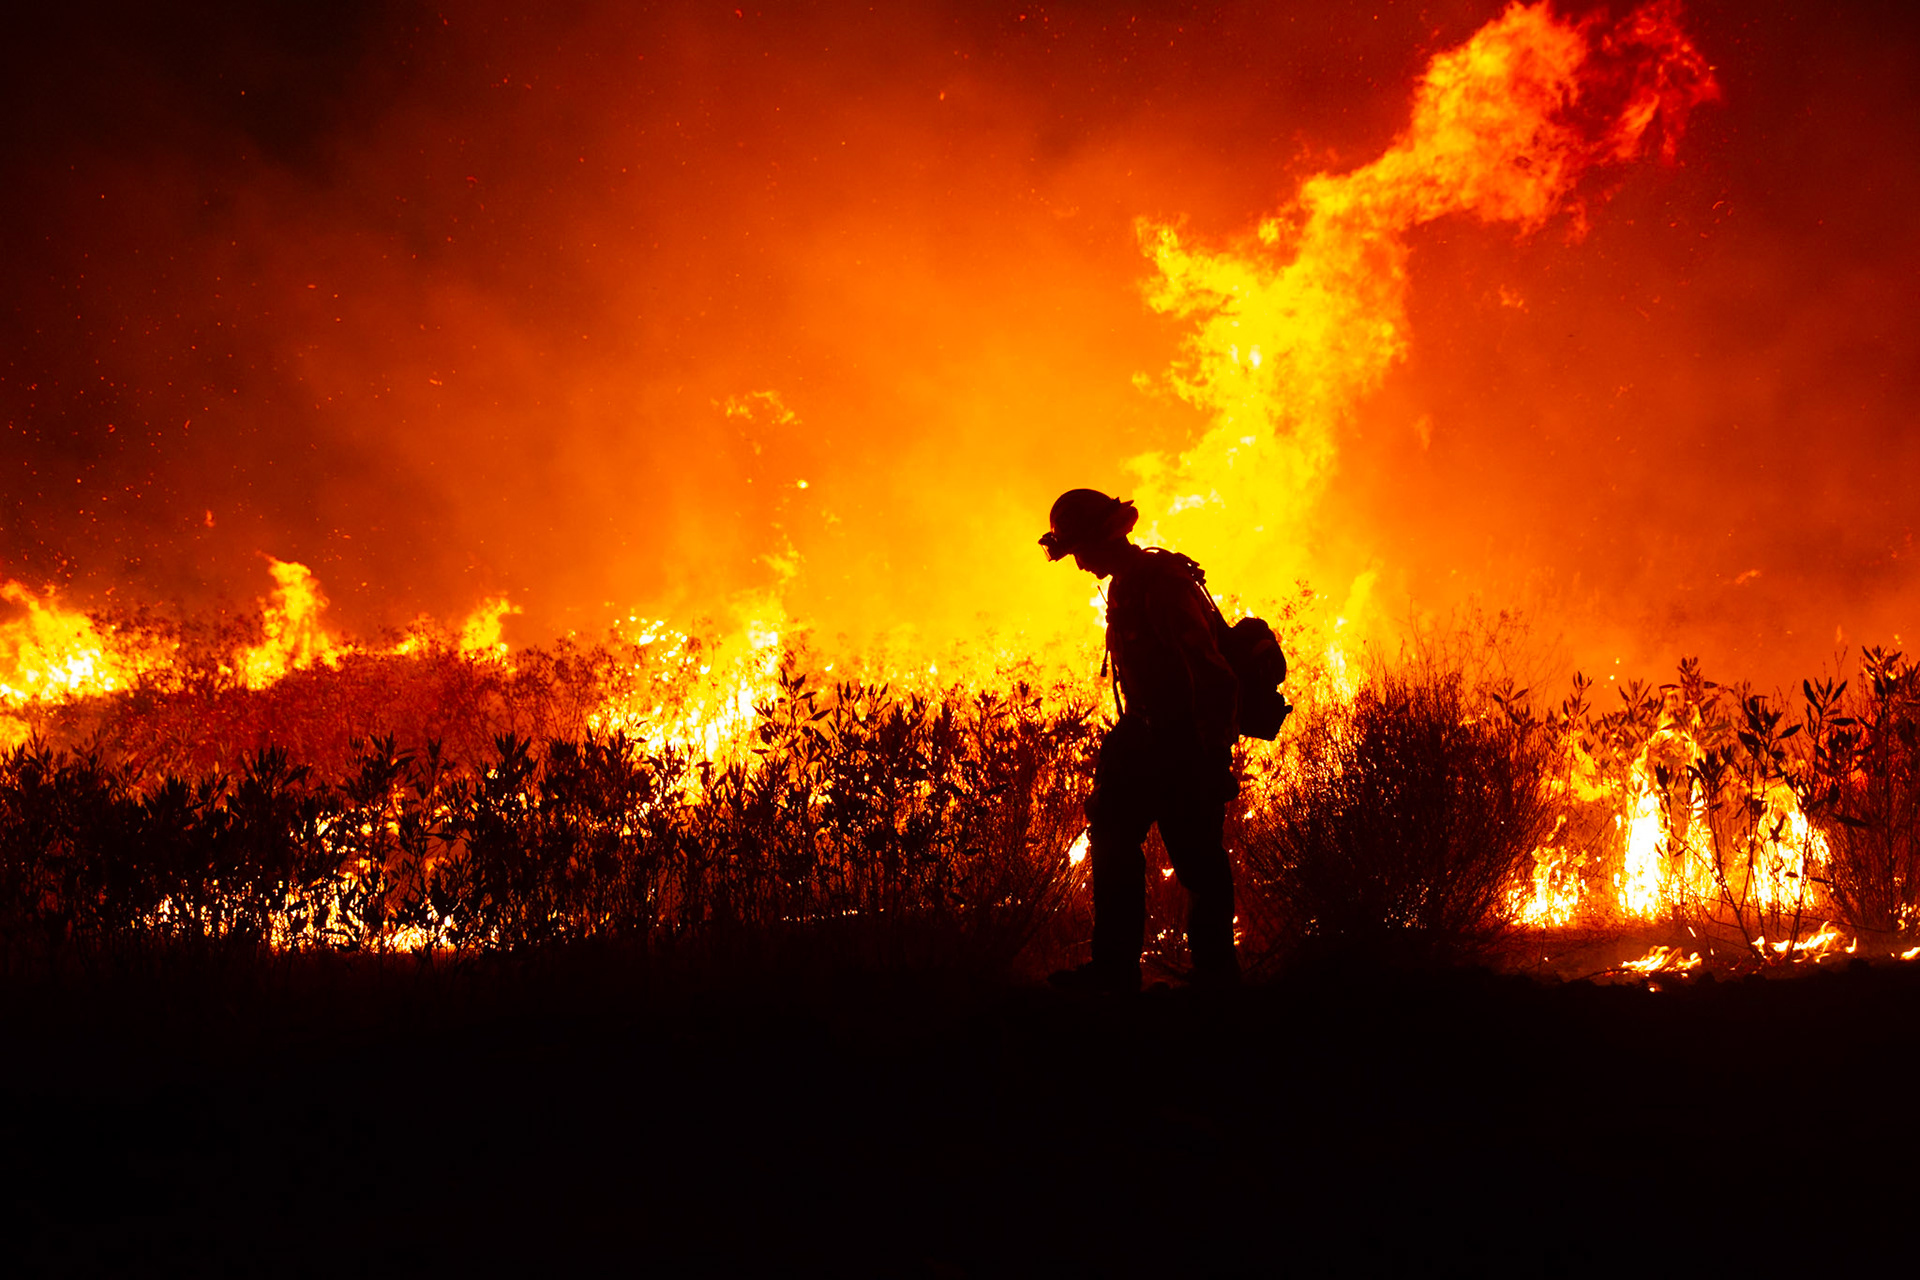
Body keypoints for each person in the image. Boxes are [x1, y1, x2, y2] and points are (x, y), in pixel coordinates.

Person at [1040, 488, 1242, 993]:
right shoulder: (1129, 584)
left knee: (1197, 857)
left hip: (1182, 740)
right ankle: (1115, 972)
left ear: (1100, 539)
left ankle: (1216, 978)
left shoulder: (1160, 583)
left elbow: (1211, 671)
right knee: (1110, 839)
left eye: (1079, 549)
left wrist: (1214, 749)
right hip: (1145, 736)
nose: (1078, 562)